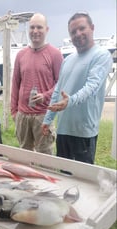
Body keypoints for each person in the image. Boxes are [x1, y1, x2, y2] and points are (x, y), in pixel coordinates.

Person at [42, 13, 113, 164]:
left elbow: (92, 87)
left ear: (92, 28)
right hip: (63, 130)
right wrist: (48, 119)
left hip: (83, 133)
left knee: (82, 180)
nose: (77, 34)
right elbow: (57, 90)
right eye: (73, 32)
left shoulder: (101, 56)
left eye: (82, 29)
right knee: (63, 177)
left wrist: (70, 101)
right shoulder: (67, 60)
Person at [11, 13, 63, 154]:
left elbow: (61, 84)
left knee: (45, 158)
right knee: (25, 157)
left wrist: (45, 96)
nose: (35, 31)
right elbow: (15, 83)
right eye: (32, 27)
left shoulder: (55, 54)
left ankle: (46, 177)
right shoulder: (21, 55)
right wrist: (14, 112)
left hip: (43, 116)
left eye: (39, 27)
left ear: (47, 29)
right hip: (22, 116)